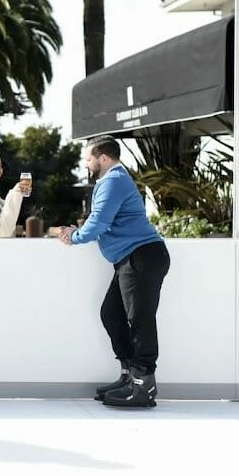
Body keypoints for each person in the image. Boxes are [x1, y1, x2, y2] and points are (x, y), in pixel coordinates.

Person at [58, 136, 170, 409]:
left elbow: (99, 222)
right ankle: (129, 375)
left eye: (88, 158)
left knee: (140, 320)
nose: (86, 163)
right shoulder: (111, 181)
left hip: (142, 257)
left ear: (103, 158)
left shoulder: (113, 180)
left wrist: (75, 236)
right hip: (129, 260)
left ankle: (144, 386)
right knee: (111, 314)